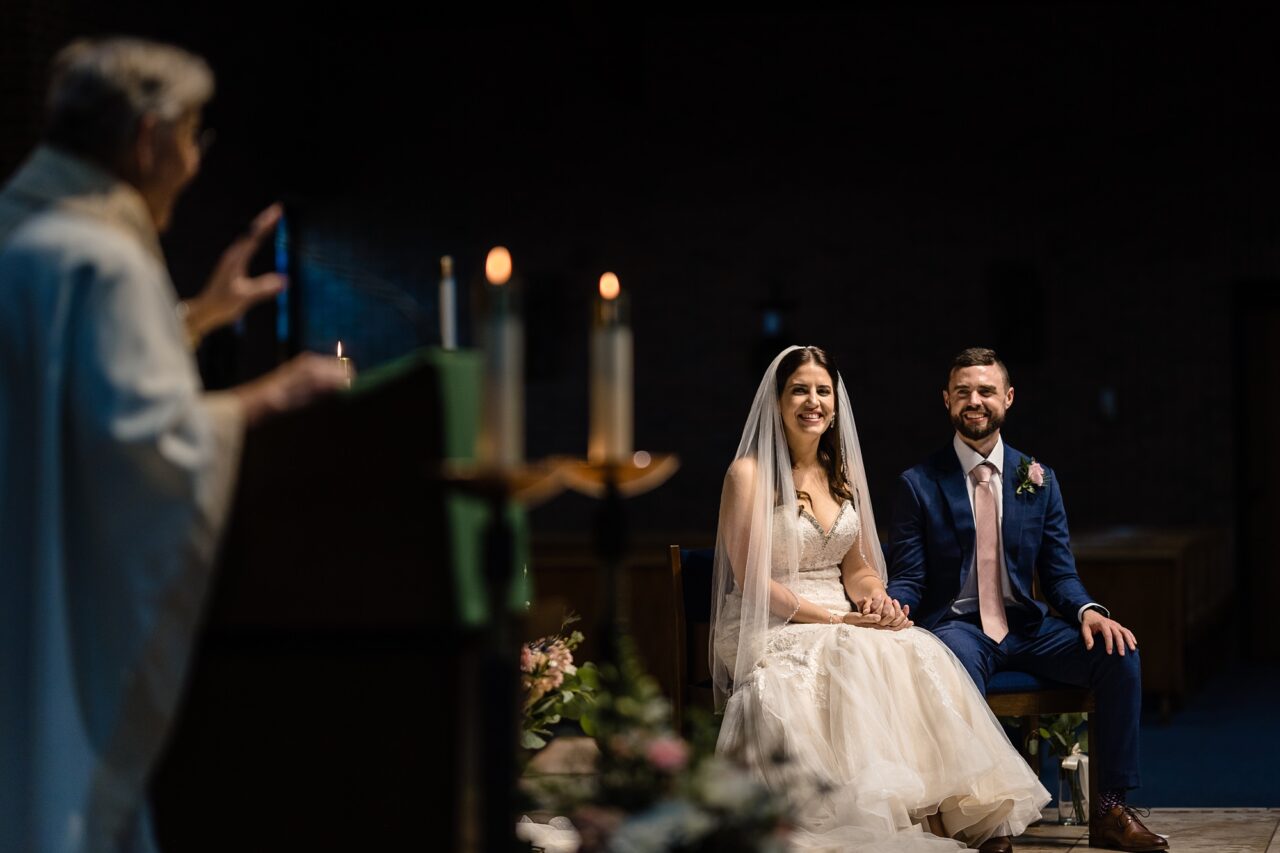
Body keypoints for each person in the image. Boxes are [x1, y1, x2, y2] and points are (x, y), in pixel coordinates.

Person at [0, 37, 349, 852]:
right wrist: (272, 394)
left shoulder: (29, 232)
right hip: (67, 611)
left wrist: (196, 316)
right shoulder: (104, 258)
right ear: (150, 138)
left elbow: (65, 396)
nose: (194, 163)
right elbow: (146, 449)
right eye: (193, 137)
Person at [710, 345, 1048, 853]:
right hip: (770, 618)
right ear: (777, 401)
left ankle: (952, 814)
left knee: (913, 647)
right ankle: (860, 818)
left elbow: (860, 567)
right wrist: (836, 618)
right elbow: (753, 581)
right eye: (800, 389)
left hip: (841, 616)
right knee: (844, 654)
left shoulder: (839, 474)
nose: (813, 401)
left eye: (823, 391)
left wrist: (876, 602)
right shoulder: (748, 475)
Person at [886, 347, 1166, 852]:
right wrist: (893, 605)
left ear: (1008, 398)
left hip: (1029, 628)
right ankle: (985, 819)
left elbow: (1060, 574)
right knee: (950, 663)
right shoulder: (918, 484)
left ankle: (1109, 811)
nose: (975, 400)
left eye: (986, 390)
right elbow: (910, 577)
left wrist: (1089, 612)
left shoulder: (1038, 477)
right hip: (958, 627)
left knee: (1118, 654)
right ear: (946, 399)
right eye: (964, 391)